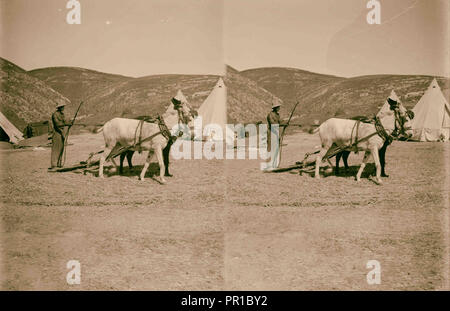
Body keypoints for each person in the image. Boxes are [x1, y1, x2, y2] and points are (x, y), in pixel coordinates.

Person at [265, 102, 287, 170]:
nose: (279, 108)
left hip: (276, 133)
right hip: (271, 133)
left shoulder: (278, 115)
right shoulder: (270, 115)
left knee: (276, 149)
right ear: (275, 108)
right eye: (278, 107)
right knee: (270, 149)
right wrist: (281, 125)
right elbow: (272, 124)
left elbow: (280, 121)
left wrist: (285, 123)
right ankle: (269, 165)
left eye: (279, 107)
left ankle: (275, 164)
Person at [49, 103, 71, 170]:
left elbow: (65, 121)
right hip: (57, 133)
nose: (63, 108)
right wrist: (66, 124)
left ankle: (59, 164)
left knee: (61, 148)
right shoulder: (55, 115)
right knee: (56, 149)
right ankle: (54, 165)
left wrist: (70, 122)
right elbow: (57, 124)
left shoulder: (62, 114)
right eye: (62, 107)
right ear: (59, 107)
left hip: (62, 133)